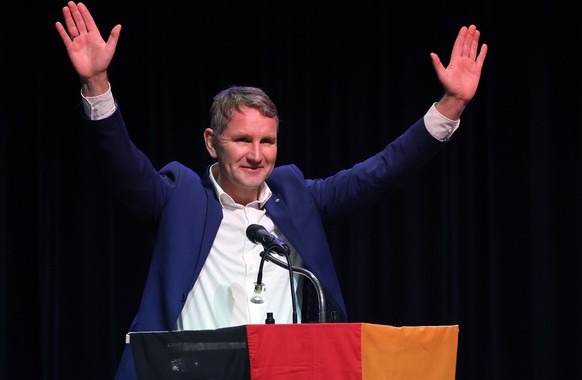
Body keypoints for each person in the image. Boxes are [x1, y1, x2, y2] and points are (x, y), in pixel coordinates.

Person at [55, 1, 487, 379]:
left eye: (268, 141)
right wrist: (97, 84)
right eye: (242, 140)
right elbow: (122, 164)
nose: (257, 155)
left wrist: (451, 106)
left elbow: (381, 172)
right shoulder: (180, 198)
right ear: (211, 142)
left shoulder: (297, 198)